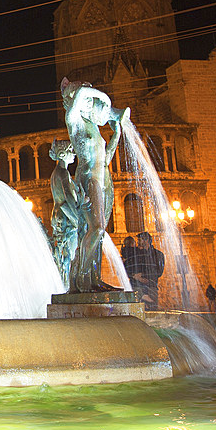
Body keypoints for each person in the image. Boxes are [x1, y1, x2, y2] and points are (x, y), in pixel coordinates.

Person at [60, 78, 129, 292]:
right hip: (88, 179)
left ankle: (94, 279)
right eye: (86, 99)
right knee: (96, 228)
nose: (89, 102)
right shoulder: (74, 120)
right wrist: (102, 98)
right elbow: (80, 92)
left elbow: (105, 157)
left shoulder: (93, 126)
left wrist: (116, 134)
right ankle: (80, 278)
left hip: (104, 179)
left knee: (98, 234)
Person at [48, 140, 81, 287]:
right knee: (70, 254)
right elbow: (69, 196)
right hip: (67, 216)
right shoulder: (63, 173)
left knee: (62, 252)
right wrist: (79, 218)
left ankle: (63, 284)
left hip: (57, 215)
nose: (73, 154)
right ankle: (68, 286)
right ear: (63, 154)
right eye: (71, 151)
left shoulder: (55, 174)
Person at [131, 231, 165, 309]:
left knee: (152, 313)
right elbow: (130, 269)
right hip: (138, 288)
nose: (137, 242)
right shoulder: (137, 254)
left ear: (146, 240)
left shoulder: (158, 254)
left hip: (151, 287)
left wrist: (143, 276)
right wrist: (136, 277)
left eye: (139, 240)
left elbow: (159, 272)